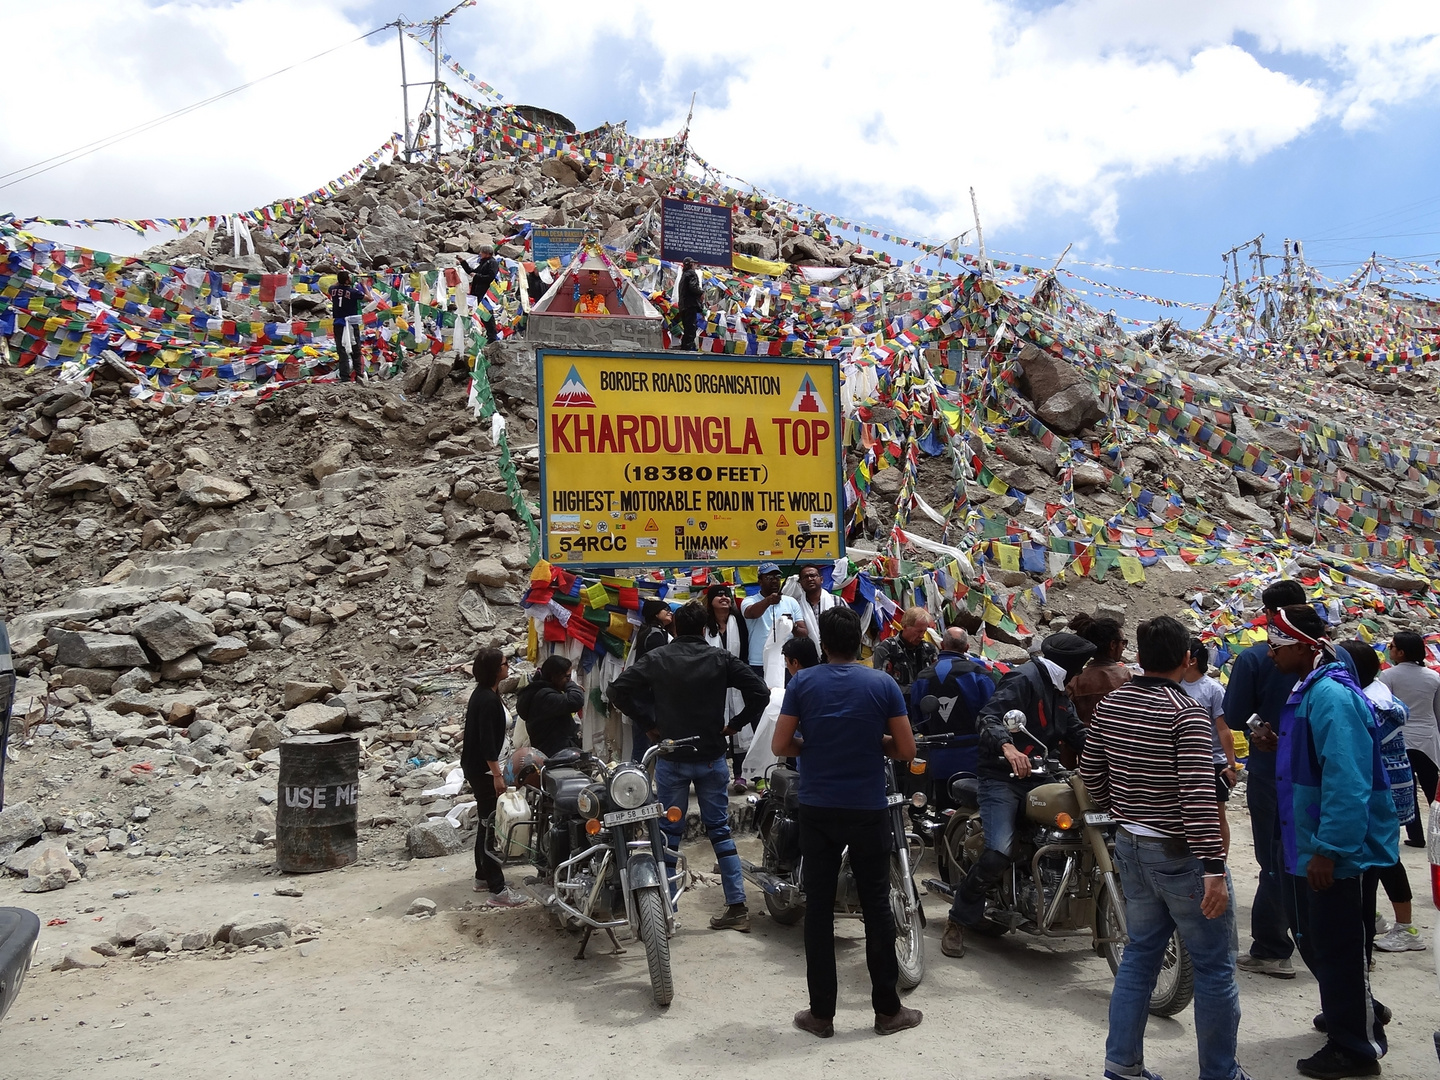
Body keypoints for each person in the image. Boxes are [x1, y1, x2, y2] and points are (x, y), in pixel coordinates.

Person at [1080, 616, 1247, 1080]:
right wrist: (1214, 866)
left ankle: (1122, 1065)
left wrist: (1122, 805)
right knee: (1215, 968)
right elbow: (1197, 795)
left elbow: (1091, 774)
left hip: (1131, 844)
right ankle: (1220, 1072)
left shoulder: (1112, 704)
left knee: (1140, 955)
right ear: (1186, 658)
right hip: (1181, 856)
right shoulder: (1186, 712)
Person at [771, 605, 922, 1038]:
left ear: (823, 644)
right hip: (867, 808)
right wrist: (875, 743)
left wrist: (816, 745)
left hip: (817, 808)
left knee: (818, 909)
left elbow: (783, 742)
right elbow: (907, 751)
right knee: (876, 907)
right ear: (860, 643)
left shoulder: (803, 682)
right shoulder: (882, 683)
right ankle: (887, 1012)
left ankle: (821, 1016)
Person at [1269, 605, 1397, 1080]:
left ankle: (1356, 1048)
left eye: (1277, 646)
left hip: (1328, 849)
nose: (1270, 653)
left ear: (1304, 647)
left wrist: (1330, 849)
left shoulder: (1332, 697)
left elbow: (1347, 779)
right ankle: (1350, 1013)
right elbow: (1315, 762)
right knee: (1318, 938)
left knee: (1339, 944)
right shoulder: (1311, 689)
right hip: (1306, 840)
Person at [606, 601, 769, 932]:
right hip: (711, 759)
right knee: (721, 832)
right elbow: (760, 691)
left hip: (672, 760)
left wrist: (648, 723)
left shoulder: (658, 658)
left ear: (675, 628)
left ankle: (665, 913)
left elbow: (617, 690)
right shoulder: (720, 658)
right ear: (705, 628)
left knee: (667, 836)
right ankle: (737, 907)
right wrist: (737, 723)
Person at [1224, 579, 1357, 980]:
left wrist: (1260, 730)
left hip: (1275, 774)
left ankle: (1272, 946)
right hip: (1323, 777)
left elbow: (1234, 716)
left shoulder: (1254, 659)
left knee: (1276, 861)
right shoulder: (1341, 660)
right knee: (1326, 866)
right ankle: (1339, 953)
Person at [942, 632, 1093, 958]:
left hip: (1042, 776)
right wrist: (1008, 747)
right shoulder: (1023, 678)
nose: (1080, 675)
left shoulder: (1059, 691)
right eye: (1079, 668)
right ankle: (958, 920)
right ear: (1070, 666)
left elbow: (1076, 733)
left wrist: (1112, 754)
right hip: (1002, 777)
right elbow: (989, 717)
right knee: (998, 850)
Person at [1338, 640, 1423, 957]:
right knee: (1382, 857)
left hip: (1380, 788)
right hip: (1393, 782)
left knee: (1379, 860)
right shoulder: (1379, 692)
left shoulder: (1372, 704)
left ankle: (1404, 928)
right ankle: (1380, 920)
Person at [460, 648, 526, 907]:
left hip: (484, 768)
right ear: (495, 669)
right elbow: (487, 741)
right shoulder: (486, 700)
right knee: (492, 826)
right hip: (485, 770)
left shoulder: (488, 694)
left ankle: (483, 876)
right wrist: (497, 774)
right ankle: (498, 891)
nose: (508, 666)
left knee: (486, 822)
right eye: (504, 663)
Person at [1376, 630, 1440, 847]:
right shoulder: (1433, 677)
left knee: (1407, 787)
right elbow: (1437, 711)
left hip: (1401, 737)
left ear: (1401, 652)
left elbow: (1386, 709)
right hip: (1427, 738)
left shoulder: (1388, 676)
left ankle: (1417, 836)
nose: (1389, 649)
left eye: (1392, 646)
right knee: (1432, 788)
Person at [908, 627, 995, 775]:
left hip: (938, 757)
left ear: (942, 645)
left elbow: (917, 717)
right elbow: (993, 713)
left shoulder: (923, 676)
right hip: (976, 757)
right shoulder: (980, 674)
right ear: (967, 647)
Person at [1181, 638, 1239, 855]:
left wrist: (1231, 764)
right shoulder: (1174, 686)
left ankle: (1220, 859)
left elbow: (1223, 729)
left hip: (1212, 761)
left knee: (1217, 813)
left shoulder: (1213, 689)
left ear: (1192, 660)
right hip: (1185, 760)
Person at [741, 563, 805, 684]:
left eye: (777, 577)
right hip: (758, 662)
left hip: (786, 662)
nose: (774, 581)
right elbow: (751, 613)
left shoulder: (791, 602)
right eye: (769, 578)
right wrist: (768, 601)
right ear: (760, 581)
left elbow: (803, 633)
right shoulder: (749, 600)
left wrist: (792, 625)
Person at [1066, 612, 1132, 724]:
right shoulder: (1129, 678)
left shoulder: (1074, 682)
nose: (1123, 648)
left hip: (1084, 739)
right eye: (1123, 643)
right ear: (1113, 645)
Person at [515, 655, 584, 757]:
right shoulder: (544, 697)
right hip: (557, 756)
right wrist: (571, 685)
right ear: (554, 677)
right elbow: (575, 700)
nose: (569, 680)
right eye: (567, 677)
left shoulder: (538, 691)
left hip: (553, 752)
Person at [871, 607, 938, 695]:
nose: (922, 635)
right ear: (905, 626)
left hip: (926, 704)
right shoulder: (886, 649)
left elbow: (937, 680)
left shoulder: (929, 650)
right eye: (918, 631)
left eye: (924, 631)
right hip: (898, 703)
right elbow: (882, 684)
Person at [327, 269, 364, 383]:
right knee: (355, 349)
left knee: (341, 350)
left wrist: (340, 280)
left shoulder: (333, 290)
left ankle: (345, 377)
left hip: (338, 323)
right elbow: (369, 298)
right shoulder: (353, 292)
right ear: (348, 280)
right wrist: (363, 285)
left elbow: (332, 287)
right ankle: (359, 374)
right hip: (352, 323)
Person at [790, 563, 840, 641]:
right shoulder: (796, 605)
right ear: (800, 583)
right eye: (805, 577)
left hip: (835, 650)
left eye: (813, 576)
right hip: (806, 651)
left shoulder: (837, 601)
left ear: (821, 579)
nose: (810, 579)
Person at [468, 244, 500, 343]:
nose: (480, 254)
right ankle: (490, 335)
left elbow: (490, 277)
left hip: (487, 293)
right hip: (479, 292)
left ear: (486, 253)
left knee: (487, 314)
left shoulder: (492, 263)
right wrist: (463, 263)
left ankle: (492, 336)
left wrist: (477, 276)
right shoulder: (484, 263)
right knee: (483, 314)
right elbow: (472, 272)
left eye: (481, 252)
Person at [678, 257, 702, 351]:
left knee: (687, 330)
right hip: (690, 305)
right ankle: (687, 351)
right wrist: (701, 292)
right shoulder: (691, 274)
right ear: (691, 264)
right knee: (691, 330)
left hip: (683, 306)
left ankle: (684, 349)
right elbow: (693, 288)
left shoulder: (684, 275)